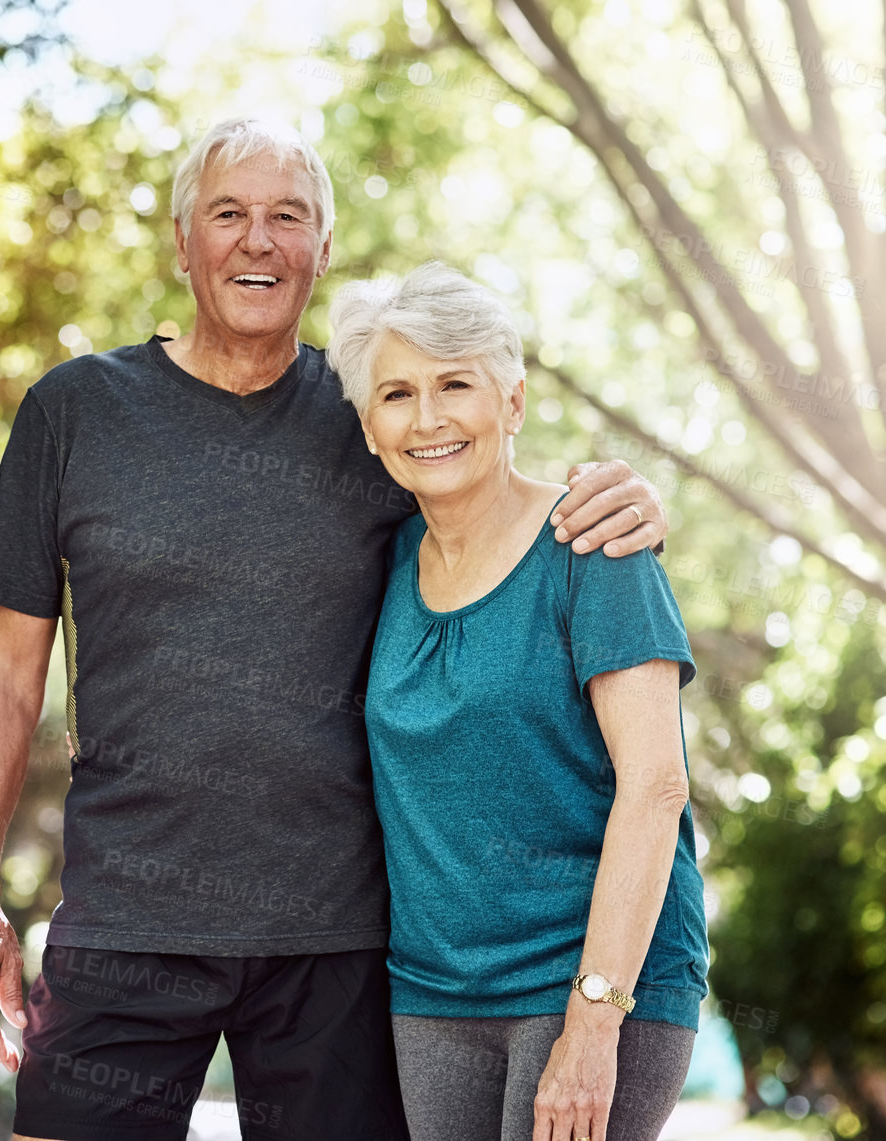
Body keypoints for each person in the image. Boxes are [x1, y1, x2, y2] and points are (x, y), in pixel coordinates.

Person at [0, 118, 672, 1141]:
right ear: (182, 241)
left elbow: (496, 497)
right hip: (129, 917)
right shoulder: (74, 411)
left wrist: (624, 495)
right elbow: (8, 674)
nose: (258, 241)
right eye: (229, 214)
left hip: (342, 942)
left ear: (323, 251)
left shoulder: (371, 412)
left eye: (289, 218)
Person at [327, 261, 708, 1141]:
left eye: (455, 383)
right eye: (397, 393)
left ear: (512, 401)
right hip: (432, 994)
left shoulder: (594, 544)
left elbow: (656, 787)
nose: (428, 418)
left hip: (591, 979)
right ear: (371, 429)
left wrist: (593, 1021)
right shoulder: (384, 561)